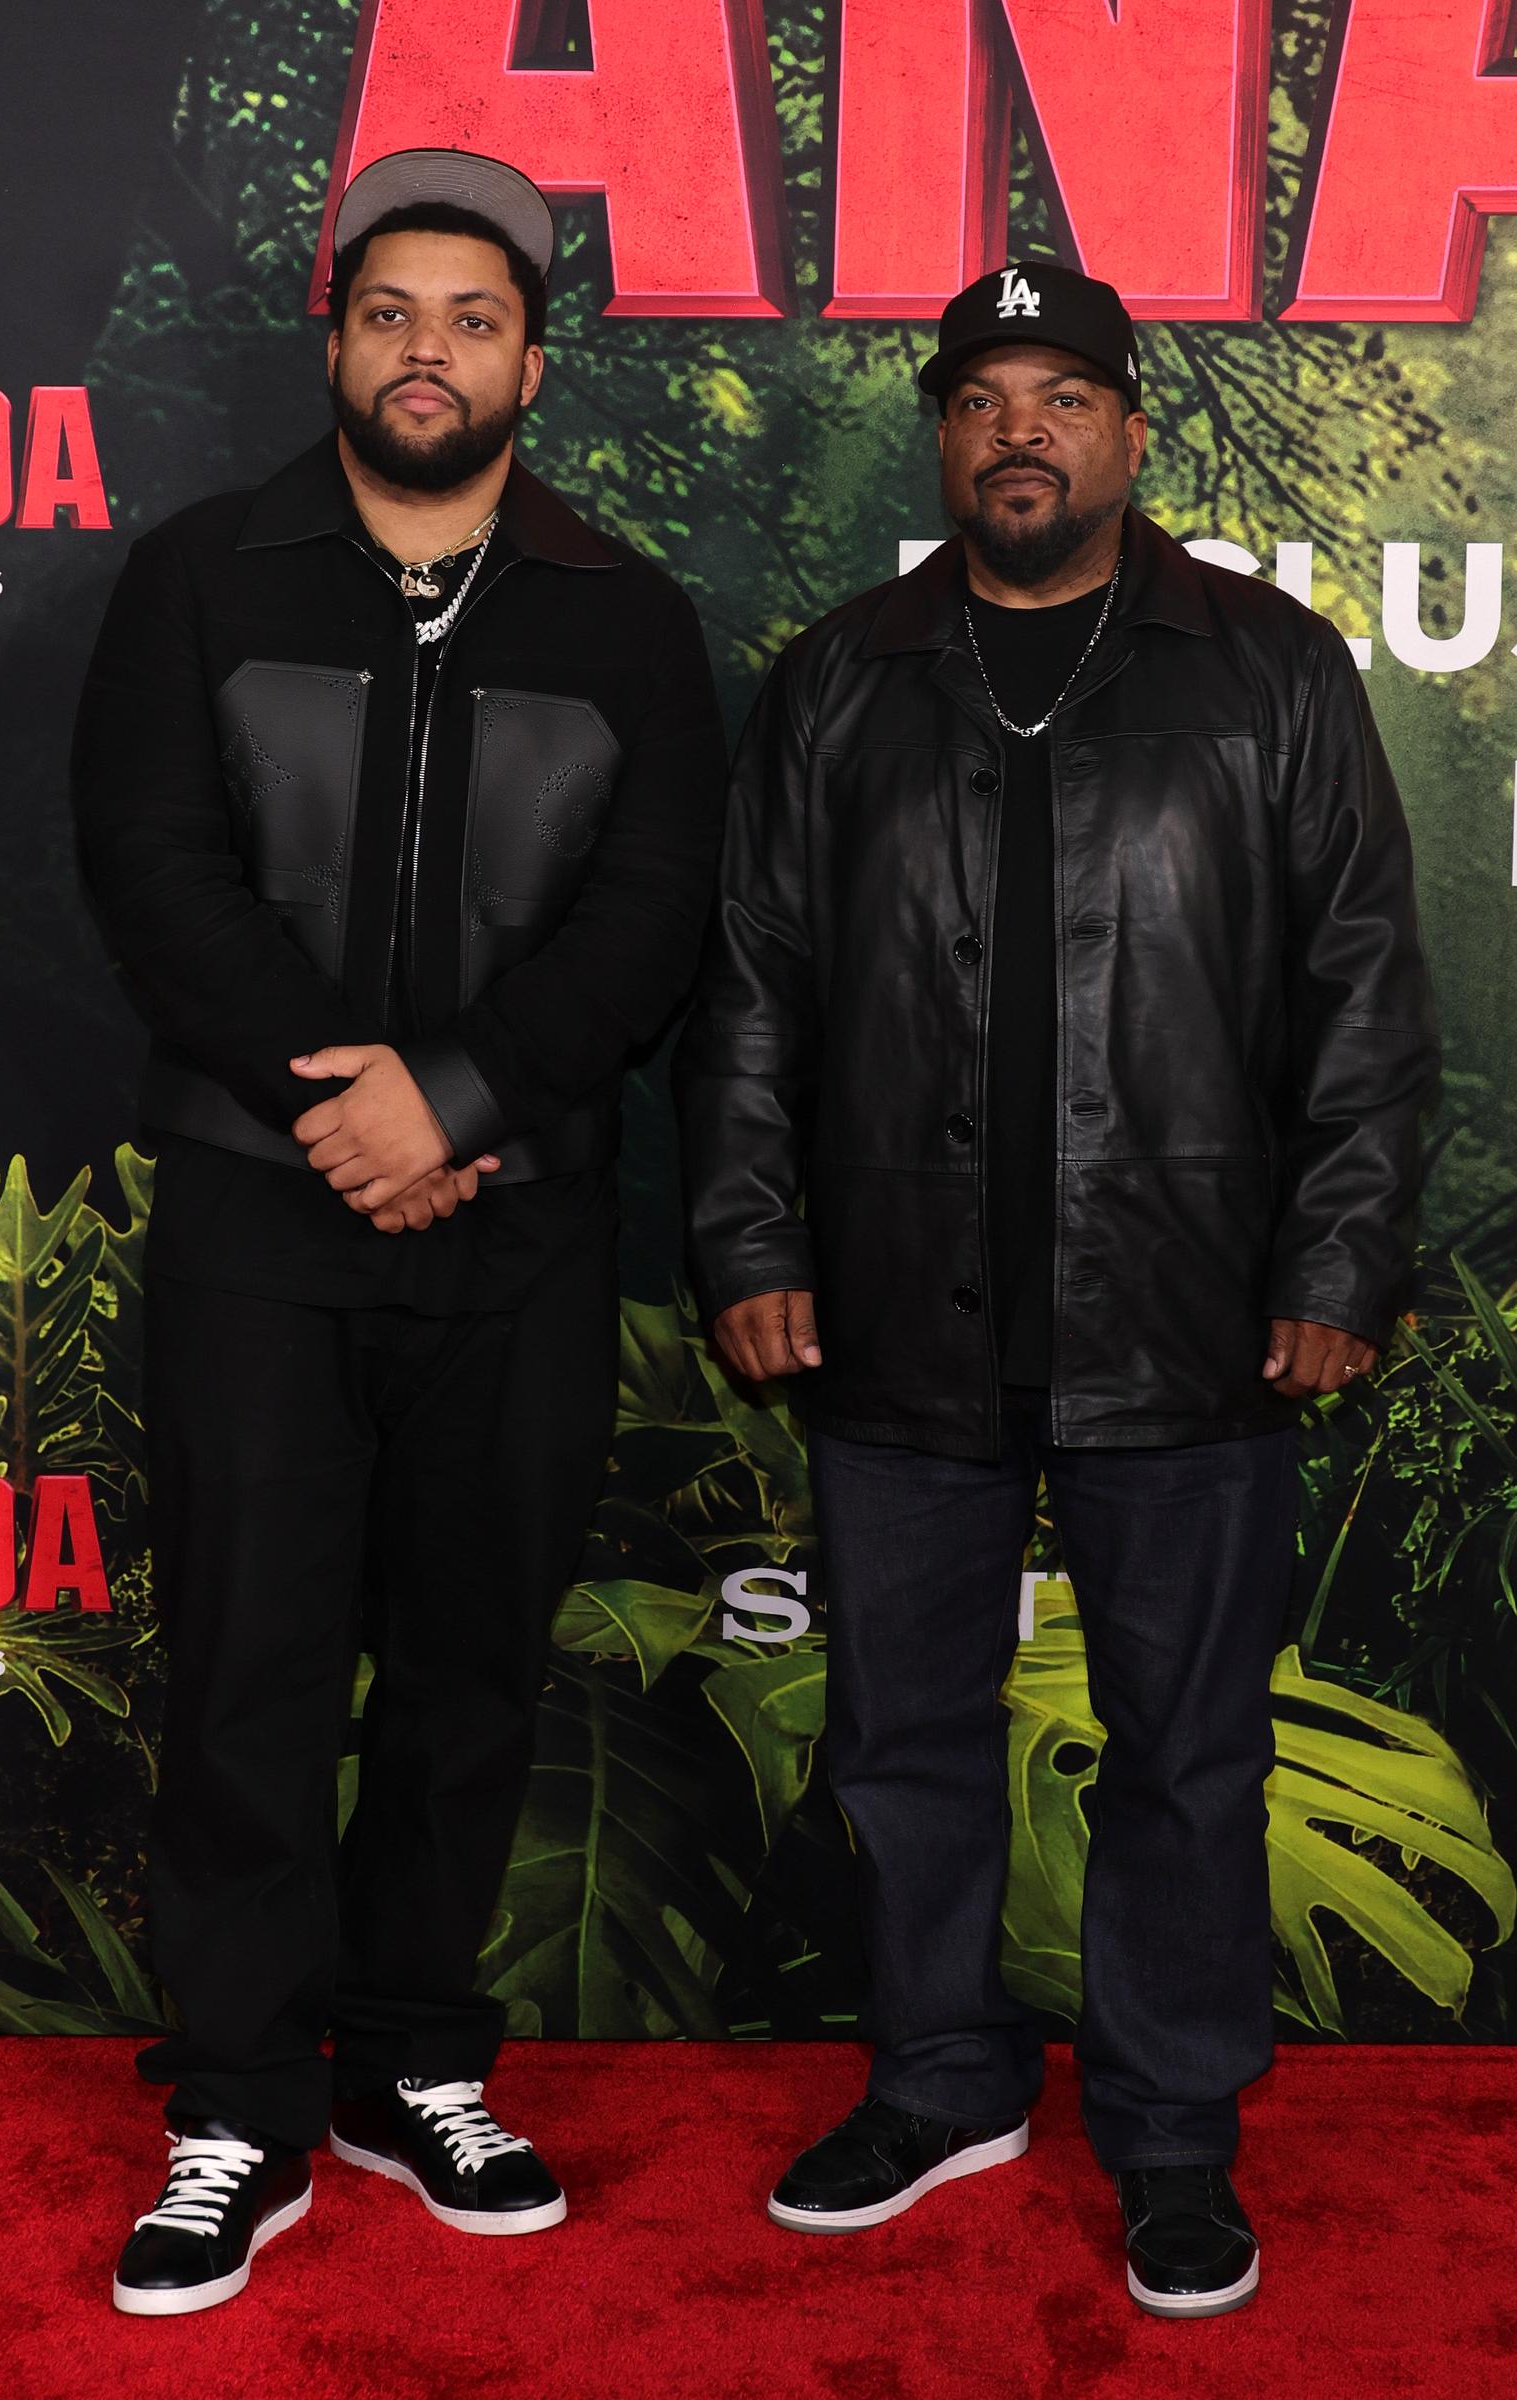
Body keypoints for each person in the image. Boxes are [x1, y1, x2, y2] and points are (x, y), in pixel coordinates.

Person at [674, 259, 1436, 2318]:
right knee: (904, 1739)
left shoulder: (1270, 671)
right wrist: (750, 1240)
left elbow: (1367, 993)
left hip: (1189, 1320)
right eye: (984, 395)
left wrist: (1338, 1258)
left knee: (1187, 1755)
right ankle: (936, 2082)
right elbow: (748, 991)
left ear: (1128, 427)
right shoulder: (841, 678)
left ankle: (1176, 2136)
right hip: (897, 1318)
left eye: (1064, 394)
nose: (1024, 429)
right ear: (945, 435)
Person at [73, 147, 726, 2316]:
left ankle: (412, 2070)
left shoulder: (626, 616)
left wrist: (454, 1102)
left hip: (519, 1232)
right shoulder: (199, 575)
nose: (426, 350)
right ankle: (240, 2106)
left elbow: (646, 927)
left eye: (472, 317)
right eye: (389, 313)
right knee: (251, 1666)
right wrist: (345, 1103)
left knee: (468, 1670)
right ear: (334, 336)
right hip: (262, 1221)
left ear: (532, 354)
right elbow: (160, 874)